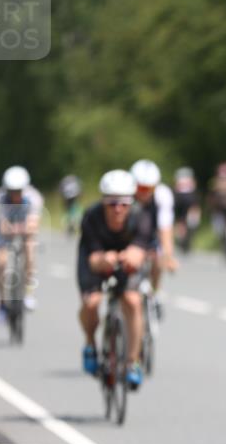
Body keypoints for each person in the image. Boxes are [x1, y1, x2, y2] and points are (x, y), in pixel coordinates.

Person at [76, 169, 154, 389]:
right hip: (96, 257)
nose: (118, 209)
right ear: (103, 202)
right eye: (111, 203)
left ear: (131, 203)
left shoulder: (141, 217)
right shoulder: (92, 217)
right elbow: (93, 260)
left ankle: (132, 362)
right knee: (91, 303)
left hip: (126, 258)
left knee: (132, 300)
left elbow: (139, 252)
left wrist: (131, 256)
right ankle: (90, 343)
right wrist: (104, 260)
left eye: (124, 203)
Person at [0, 166, 44, 317]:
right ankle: (2, 301)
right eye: (11, 191)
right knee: (1, 262)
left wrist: (19, 228)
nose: (15, 195)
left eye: (18, 191)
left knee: (30, 248)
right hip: (6, 229)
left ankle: (28, 291)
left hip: (23, 226)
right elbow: (2, 227)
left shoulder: (34, 198)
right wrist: (15, 228)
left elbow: (33, 225)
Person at [131, 159, 178, 292]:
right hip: (130, 235)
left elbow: (165, 228)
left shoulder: (163, 195)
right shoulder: (126, 196)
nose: (145, 192)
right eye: (141, 188)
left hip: (151, 233)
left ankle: (154, 291)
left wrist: (168, 256)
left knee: (158, 260)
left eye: (150, 188)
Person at [172, 167, 200, 253]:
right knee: (183, 221)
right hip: (188, 201)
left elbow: (175, 188)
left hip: (182, 200)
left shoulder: (179, 179)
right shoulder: (190, 180)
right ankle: (183, 236)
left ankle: (182, 237)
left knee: (182, 220)